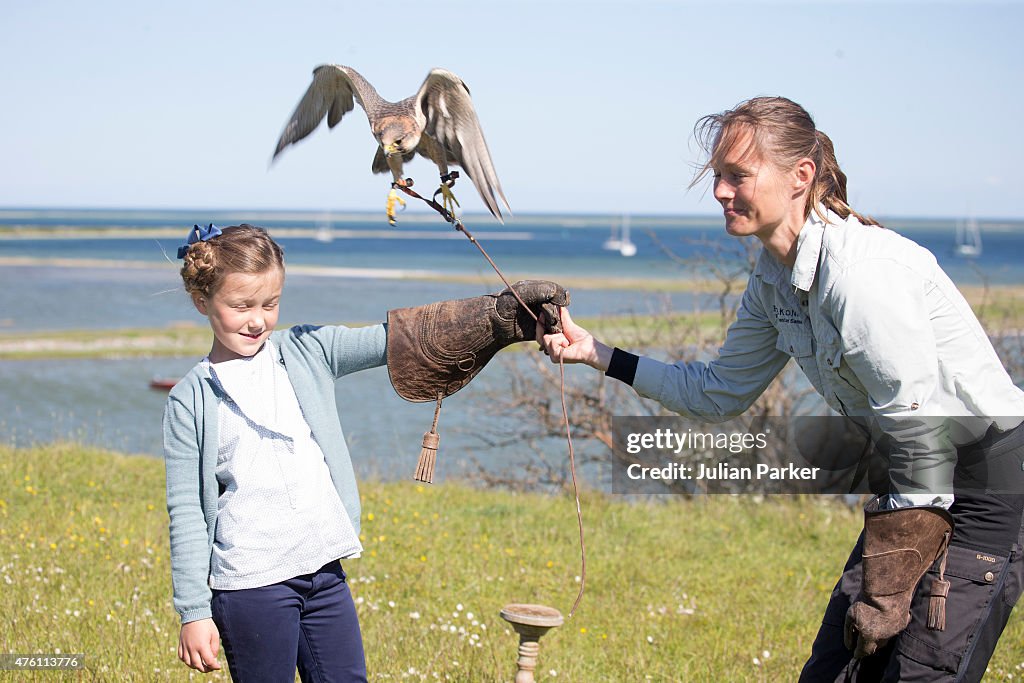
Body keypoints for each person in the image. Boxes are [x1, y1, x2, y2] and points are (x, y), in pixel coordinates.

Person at [538, 97, 1024, 681]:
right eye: (717, 175)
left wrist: (889, 589)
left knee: (921, 672)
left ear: (801, 177)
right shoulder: (772, 279)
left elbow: (918, 429)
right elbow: (718, 392)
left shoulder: (861, 277)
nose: (719, 191)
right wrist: (596, 353)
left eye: (738, 175)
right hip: (913, 478)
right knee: (831, 671)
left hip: (987, 482)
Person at [164, 223, 565, 681]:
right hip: (251, 584)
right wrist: (194, 611)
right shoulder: (190, 399)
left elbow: (398, 338)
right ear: (202, 302)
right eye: (241, 306)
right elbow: (188, 513)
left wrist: (498, 316)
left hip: (324, 572)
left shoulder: (306, 349)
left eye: (270, 304)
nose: (258, 319)